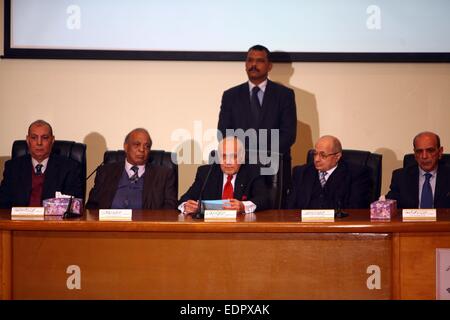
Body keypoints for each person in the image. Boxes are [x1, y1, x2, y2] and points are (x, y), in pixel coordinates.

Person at [217, 44, 297, 205]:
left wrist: (261, 155)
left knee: (274, 215)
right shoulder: (230, 95)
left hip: (275, 166)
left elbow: (288, 134)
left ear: (269, 66)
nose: (254, 65)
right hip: (241, 168)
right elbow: (224, 132)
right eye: (250, 60)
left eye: (259, 61)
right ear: (245, 64)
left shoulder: (284, 95)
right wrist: (243, 157)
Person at [86, 128, 177, 209]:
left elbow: (169, 210)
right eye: (137, 144)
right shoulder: (105, 172)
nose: (142, 149)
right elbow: (92, 206)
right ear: (126, 147)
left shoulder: (164, 175)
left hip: (145, 226)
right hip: (109, 225)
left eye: (147, 146)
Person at [0, 120, 83, 208]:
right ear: (28, 140)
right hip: (19, 220)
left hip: (53, 221)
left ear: (52, 140)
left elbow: (74, 206)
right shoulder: (13, 167)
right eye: (34, 137)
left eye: (45, 138)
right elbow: (3, 204)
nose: (39, 143)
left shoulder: (69, 168)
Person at [178, 136, 270, 214]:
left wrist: (243, 206)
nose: (228, 162)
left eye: (233, 156)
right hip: (211, 228)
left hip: (242, 229)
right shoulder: (206, 173)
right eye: (224, 156)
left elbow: (264, 200)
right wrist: (186, 206)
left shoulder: (252, 172)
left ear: (242, 157)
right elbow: (184, 199)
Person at [287, 135, 370, 209]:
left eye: (323, 155)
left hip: (338, 224)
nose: (316, 159)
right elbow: (290, 208)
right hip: (305, 224)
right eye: (315, 154)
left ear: (337, 157)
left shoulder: (356, 175)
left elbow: (356, 210)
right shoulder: (301, 172)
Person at [386, 131, 450, 208]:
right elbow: (389, 205)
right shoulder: (400, 177)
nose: (424, 156)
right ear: (415, 154)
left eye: (430, 150)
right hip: (411, 220)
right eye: (419, 151)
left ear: (440, 152)